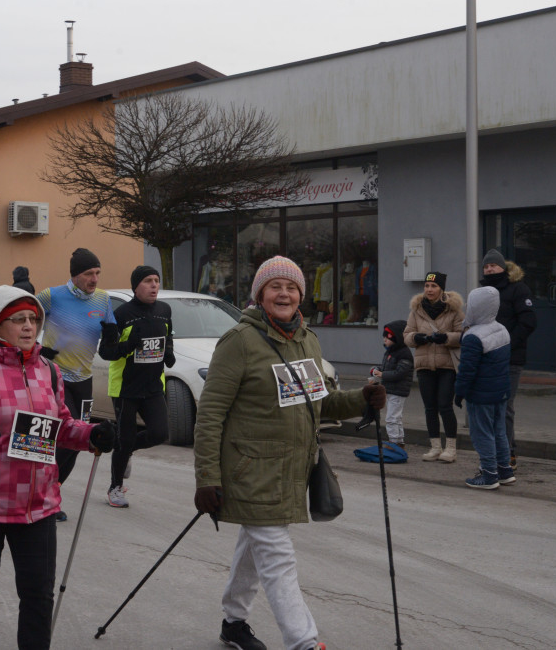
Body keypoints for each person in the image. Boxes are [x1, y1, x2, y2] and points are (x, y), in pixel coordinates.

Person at [193, 256, 385, 650]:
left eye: (292, 287)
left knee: (255, 547)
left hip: (293, 470)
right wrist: (207, 477)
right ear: (260, 294)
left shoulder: (307, 340)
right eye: (275, 287)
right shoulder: (239, 342)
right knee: (277, 556)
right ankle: (304, 642)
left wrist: (361, 398)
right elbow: (210, 415)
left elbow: (318, 403)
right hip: (250, 472)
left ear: (301, 295)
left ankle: (233, 623)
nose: (284, 294)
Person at [0, 285, 115, 650]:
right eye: (17, 319)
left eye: (33, 319)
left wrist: (91, 434)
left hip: (37, 503)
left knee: (38, 595)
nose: (28, 326)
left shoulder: (49, 371)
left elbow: (60, 426)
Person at [35, 247, 115, 522]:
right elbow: (23, 319)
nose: (95, 279)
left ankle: (51, 494)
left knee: (76, 442)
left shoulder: (103, 300)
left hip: (84, 380)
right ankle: (37, 493)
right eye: (89, 273)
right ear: (75, 275)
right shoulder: (51, 296)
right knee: (55, 436)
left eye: (97, 273)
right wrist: (37, 349)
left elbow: (110, 339)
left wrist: (115, 340)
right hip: (53, 377)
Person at [98, 265, 175, 508]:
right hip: (125, 388)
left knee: (159, 433)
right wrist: (129, 345)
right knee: (125, 437)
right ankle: (115, 487)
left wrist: (169, 352)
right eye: (148, 281)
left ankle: (128, 450)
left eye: (156, 280)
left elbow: (168, 335)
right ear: (136, 286)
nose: (154, 285)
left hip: (153, 386)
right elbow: (106, 352)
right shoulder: (121, 315)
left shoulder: (164, 310)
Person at [479, 248, 537, 470]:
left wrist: (505, 344)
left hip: (510, 359)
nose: (489, 269)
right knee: (489, 407)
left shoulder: (518, 289)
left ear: (503, 267)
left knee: (504, 406)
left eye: (493, 265)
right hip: (487, 358)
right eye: (486, 266)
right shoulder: (482, 292)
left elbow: (528, 322)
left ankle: (507, 454)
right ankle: (492, 454)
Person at [454, 287, 514, 489]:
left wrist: (459, 392)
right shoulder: (502, 329)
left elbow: (466, 370)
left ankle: (489, 475)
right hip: (501, 391)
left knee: (482, 433)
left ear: (476, 307)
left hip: (481, 395)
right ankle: (504, 470)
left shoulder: (473, 337)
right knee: (499, 431)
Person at [405, 271, 464, 463]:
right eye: (427, 286)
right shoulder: (416, 310)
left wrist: (446, 337)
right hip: (424, 365)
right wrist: (416, 337)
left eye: (434, 286)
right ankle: (435, 447)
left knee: (445, 406)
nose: (429, 290)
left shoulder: (454, 310)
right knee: (430, 408)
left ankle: (451, 449)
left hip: (447, 366)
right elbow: (407, 335)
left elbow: (463, 335)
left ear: (441, 289)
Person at [368, 319, 414, 451]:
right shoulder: (390, 352)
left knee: (391, 417)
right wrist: (376, 370)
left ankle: (393, 442)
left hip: (398, 391)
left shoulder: (404, 354)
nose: (385, 340)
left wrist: (382, 374)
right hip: (391, 389)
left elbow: (399, 373)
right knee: (396, 417)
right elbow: (385, 367)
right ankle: (399, 441)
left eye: (388, 337)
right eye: (384, 337)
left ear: (397, 338)